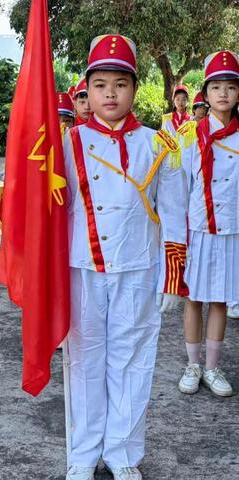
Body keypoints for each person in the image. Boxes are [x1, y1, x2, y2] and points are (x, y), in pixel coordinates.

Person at [62, 35, 188, 480]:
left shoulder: (158, 145)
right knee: (84, 360)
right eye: (100, 84)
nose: (110, 93)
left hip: (139, 268)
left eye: (120, 83)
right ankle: (82, 454)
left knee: (132, 361)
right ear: (87, 90)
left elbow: (175, 214)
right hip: (82, 270)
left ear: (135, 88)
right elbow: (52, 212)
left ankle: (122, 453)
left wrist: (172, 277)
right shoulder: (67, 143)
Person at [176, 50, 239, 397]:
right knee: (194, 298)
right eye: (217, 87)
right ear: (206, 93)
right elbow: (180, 188)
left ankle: (213, 368)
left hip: (230, 230)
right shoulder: (191, 135)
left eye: (231, 87)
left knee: (219, 300)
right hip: (198, 229)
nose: (224, 94)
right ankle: (193, 364)